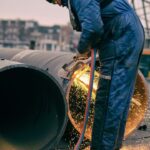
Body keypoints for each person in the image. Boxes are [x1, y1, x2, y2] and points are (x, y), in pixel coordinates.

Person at [46, 0, 145, 149]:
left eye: (55, 1)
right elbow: (100, 20)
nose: (58, 4)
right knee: (119, 98)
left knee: (108, 99)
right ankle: (111, 145)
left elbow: (93, 28)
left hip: (121, 37)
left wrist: (81, 50)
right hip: (127, 34)